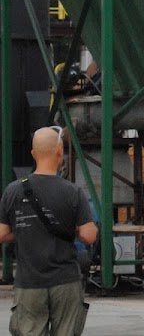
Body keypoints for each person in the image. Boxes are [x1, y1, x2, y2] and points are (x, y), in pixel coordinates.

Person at [0, 127, 98, 336]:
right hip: (66, 282)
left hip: (29, 284)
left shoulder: (13, 190)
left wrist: (28, 231)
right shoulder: (73, 192)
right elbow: (89, 236)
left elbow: (1, 234)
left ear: (33, 153)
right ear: (60, 151)